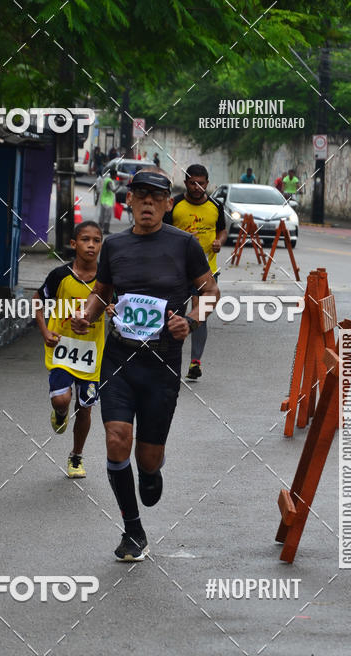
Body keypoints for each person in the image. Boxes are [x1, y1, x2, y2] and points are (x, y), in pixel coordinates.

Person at [71, 168, 220, 561]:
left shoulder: (185, 245)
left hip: (162, 364)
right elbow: (102, 292)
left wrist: (191, 321)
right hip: (119, 359)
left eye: (156, 197)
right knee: (116, 439)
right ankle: (133, 530)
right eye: (140, 196)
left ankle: (152, 471)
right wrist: (87, 314)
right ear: (130, 202)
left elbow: (209, 290)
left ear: (168, 204)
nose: (148, 203)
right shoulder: (115, 246)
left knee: (146, 460)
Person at [34, 221, 105, 478]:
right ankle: (60, 413)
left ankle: (76, 457)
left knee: (85, 407)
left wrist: (112, 310)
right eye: (85, 239)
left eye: (96, 240)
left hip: (91, 355)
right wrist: (45, 331)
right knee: (61, 399)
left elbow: (118, 307)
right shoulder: (60, 276)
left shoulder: (107, 280)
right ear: (74, 244)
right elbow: (37, 300)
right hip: (61, 349)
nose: (91, 245)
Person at [163, 163, 227, 380]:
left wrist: (219, 241)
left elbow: (222, 230)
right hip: (177, 270)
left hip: (207, 271)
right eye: (192, 183)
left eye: (201, 183)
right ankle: (170, 361)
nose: (197, 187)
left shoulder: (216, 206)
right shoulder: (175, 205)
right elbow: (162, 231)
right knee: (174, 315)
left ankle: (195, 362)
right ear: (185, 183)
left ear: (207, 183)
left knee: (200, 315)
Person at [98, 169, 117, 234]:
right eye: (116, 175)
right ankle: (106, 230)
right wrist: (120, 186)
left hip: (103, 200)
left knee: (102, 215)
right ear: (113, 175)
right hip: (107, 201)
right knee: (108, 216)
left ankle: (100, 229)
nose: (116, 176)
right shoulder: (109, 181)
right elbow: (113, 190)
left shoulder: (106, 180)